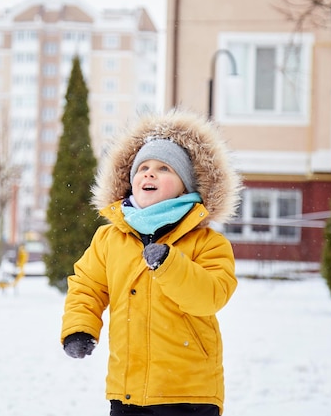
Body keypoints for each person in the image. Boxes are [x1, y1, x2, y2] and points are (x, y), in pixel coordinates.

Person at [61, 108, 241, 416]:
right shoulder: (109, 239)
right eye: (142, 167)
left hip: (188, 393)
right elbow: (87, 287)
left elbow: (210, 296)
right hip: (128, 390)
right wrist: (79, 328)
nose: (149, 173)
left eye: (164, 168)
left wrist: (172, 265)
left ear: (186, 185)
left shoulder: (206, 242)